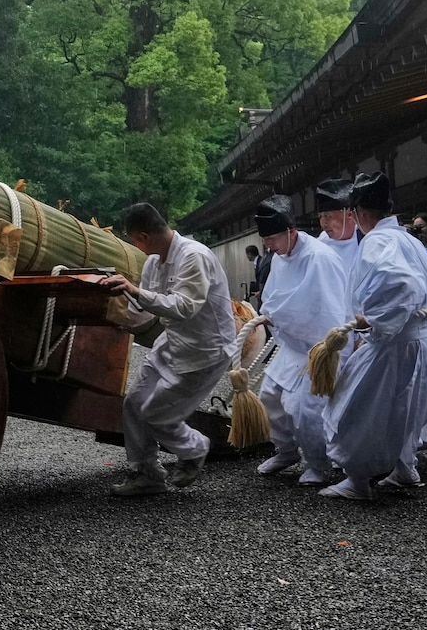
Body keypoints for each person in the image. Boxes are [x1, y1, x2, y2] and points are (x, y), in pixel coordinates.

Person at [322, 173, 427, 500]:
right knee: (406, 408)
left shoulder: (378, 240)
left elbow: (403, 283)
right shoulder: (406, 238)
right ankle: (405, 468)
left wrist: (372, 318)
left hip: (396, 340)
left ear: (359, 212)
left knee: (359, 407)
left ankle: (358, 479)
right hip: (420, 338)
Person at [98, 203, 236, 496]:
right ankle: (147, 473)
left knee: (156, 414)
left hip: (206, 350)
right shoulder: (153, 263)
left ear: (143, 237)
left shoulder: (194, 256)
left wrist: (134, 291)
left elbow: (184, 307)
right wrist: (109, 314)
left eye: (134, 241)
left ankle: (195, 448)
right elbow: (146, 308)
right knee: (134, 403)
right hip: (172, 342)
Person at [249, 196, 351, 486]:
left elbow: (327, 311)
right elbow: (273, 298)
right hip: (294, 344)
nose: (268, 245)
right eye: (265, 239)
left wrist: (277, 316)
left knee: (304, 406)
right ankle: (286, 450)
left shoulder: (320, 258)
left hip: (321, 346)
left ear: (291, 232)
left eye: (272, 238)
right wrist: (269, 315)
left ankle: (317, 464)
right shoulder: (279, 257)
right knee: (268, 396)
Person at [314, 179, 362, 273]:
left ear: (349, 214)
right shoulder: (320, 245)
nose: (323, 223)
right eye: (320, 217)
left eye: (328, 216)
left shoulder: (365, 239)